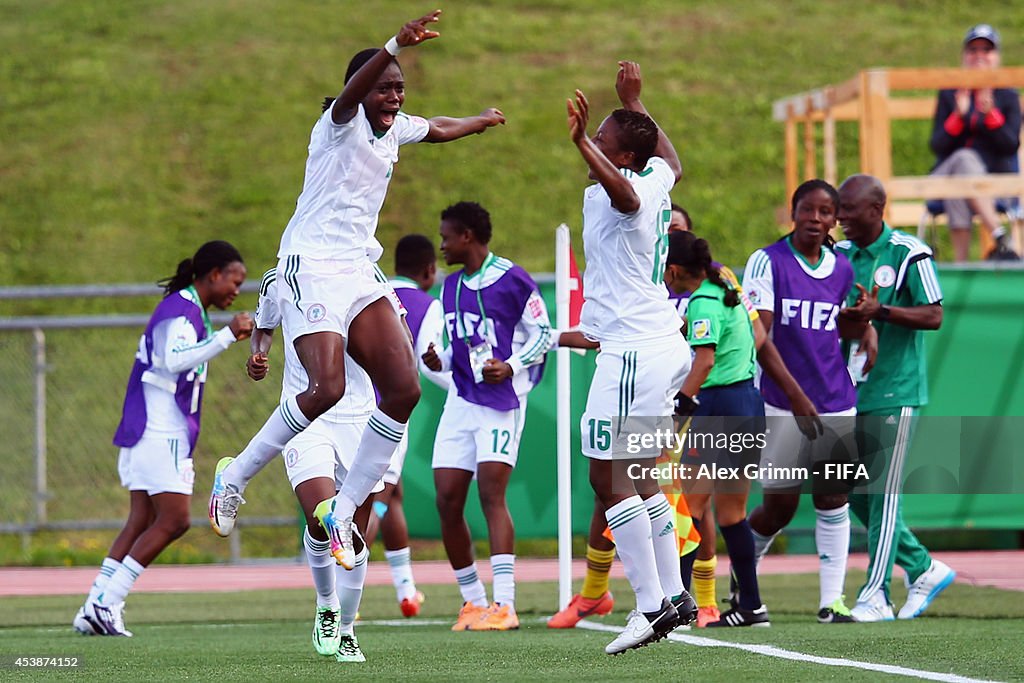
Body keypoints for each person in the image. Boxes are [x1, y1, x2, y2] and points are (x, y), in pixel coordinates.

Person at [207, 10, 506, 573]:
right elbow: (350, 95)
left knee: (404, 390)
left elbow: (436, 126)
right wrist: (396, 44)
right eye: (385, 86)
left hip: (356, 269)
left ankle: (342, 513)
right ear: (364, 88)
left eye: (399, 87)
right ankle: (236, 474)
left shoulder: (395, 129)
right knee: (326, 387)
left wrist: (481, 120)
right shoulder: (337, 125)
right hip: (311, 264)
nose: (394, 95)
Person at [567, 60, 697, 655]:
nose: (596, 142)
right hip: (653, 345)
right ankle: (675, 593)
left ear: (618, 156)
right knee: (639, 478)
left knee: (606, 475)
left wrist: (578, 143)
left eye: (603, 140)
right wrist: (636, 104)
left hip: (634, 354)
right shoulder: (656, 180)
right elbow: (673, 163)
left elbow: (623, 190)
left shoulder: (629, 193)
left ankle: (648, 609)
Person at [74, 242, 251, 637]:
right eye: (234, 281)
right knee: (174, 520)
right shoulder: (182, 309)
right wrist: (226, 338)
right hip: (159, 427)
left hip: (148, 423)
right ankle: (107, 602)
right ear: (214, 274)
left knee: (143, 519)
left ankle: (93, 604)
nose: (237, 290)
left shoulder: (189, 309)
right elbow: (171, 360)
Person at [245, 267, 397, 662]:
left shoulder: (366, 275)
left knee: (354, 536)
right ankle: (326, 604)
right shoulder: (281, 277)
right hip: (305, 415)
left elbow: (397, 334)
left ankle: (348, 628)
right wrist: (257, 353)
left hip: (360, 420)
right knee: (320, 516)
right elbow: (264, 326)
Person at [743, 179, 876, 624]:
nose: (816, 219)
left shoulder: (841, 268)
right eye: (808, 210)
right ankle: (743, 581)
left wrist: (865, 327)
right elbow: (760, 338)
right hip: (783, 401)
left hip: (835, 399)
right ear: (793, 211)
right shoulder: (768, 261)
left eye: (825, 212)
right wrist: (797, 398)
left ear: (835, 219)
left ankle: (831, 602)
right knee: (780, 505)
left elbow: (836, 326)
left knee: (833, 498)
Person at [421, 202, 551, 632]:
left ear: (468, 237)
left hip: (502, 401)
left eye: (446, 236)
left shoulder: (513, 279)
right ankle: (473, 601)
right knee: (446, 498)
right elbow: (454, 352)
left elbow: (544, 335)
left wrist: (512, 365)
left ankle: (506, 605)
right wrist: (436, 360)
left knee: (491, 495)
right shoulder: (451, 286)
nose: (441, 244)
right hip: (461, 401)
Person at [835, 174, 957, 622]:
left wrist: (880, 311)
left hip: (896, 388)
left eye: (849, 209)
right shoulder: (839, 254)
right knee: (849, 490)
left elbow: (935, 314)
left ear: (876, 209)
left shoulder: (910, 253)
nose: (841, 217)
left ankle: (876, 595)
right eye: (839, 209)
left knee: (882, 492)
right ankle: (923, 567)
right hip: (846, 389)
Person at [364, 234, 451, 618]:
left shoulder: (370, 292)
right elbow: (429, 364)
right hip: (389, 413)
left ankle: (407, 591)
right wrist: (466, 387)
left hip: (353, 406)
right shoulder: (424, 304)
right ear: (429, 271)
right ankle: (336, 589)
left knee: (389, 495)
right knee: (373, 498)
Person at [929, 23, 1021, 262]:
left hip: (993, 180)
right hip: (946, 173)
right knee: (962, 160)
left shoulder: (1008, 96)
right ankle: (1000, 237)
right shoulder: (950, 94)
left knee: (961, 178)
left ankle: (961, 264)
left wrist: (990, 116)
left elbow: (1010, 145)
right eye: (973, 50)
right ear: (964, 56)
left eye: (986, 50)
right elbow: (937, 145)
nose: (979, 56)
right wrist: (958, 118)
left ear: (996, 57)